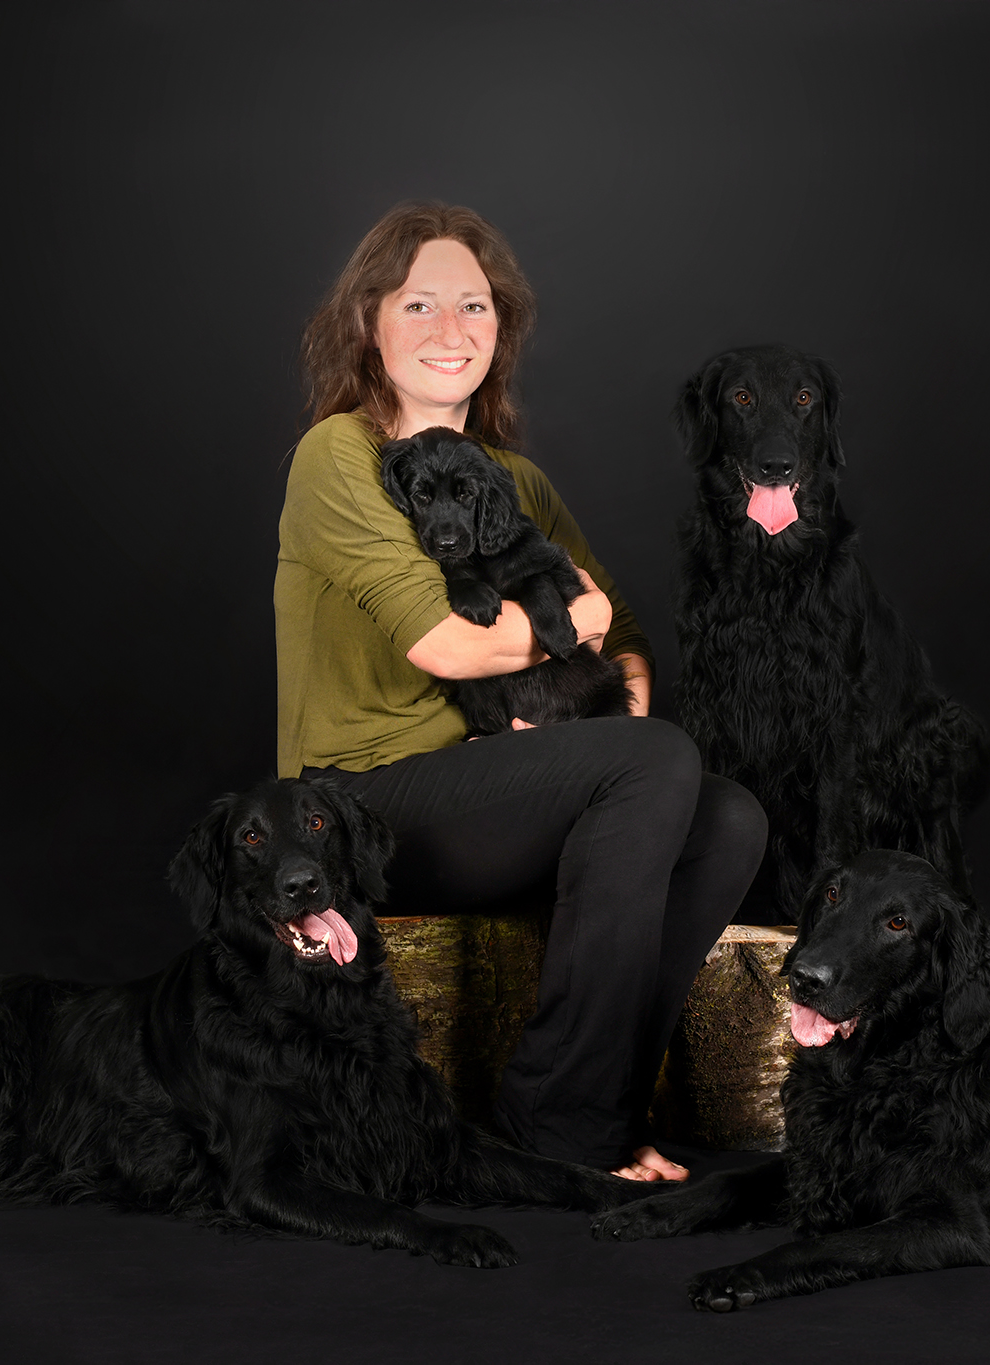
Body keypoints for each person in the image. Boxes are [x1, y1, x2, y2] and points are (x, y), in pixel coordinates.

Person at [275, 202, 767, 1181]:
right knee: (654, 763)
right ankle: (561, 1128)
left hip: (498, 790)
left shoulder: (516, 481)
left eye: (475, 305)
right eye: (418, 304)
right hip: (361, 803)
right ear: (368, 323)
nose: (450, 329)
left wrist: (597, 739)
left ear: (501, 329)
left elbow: (625, 641)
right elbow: (448, 644)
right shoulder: (339, 455)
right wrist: (579, 639)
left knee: (726, 819)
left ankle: (602, 1098)